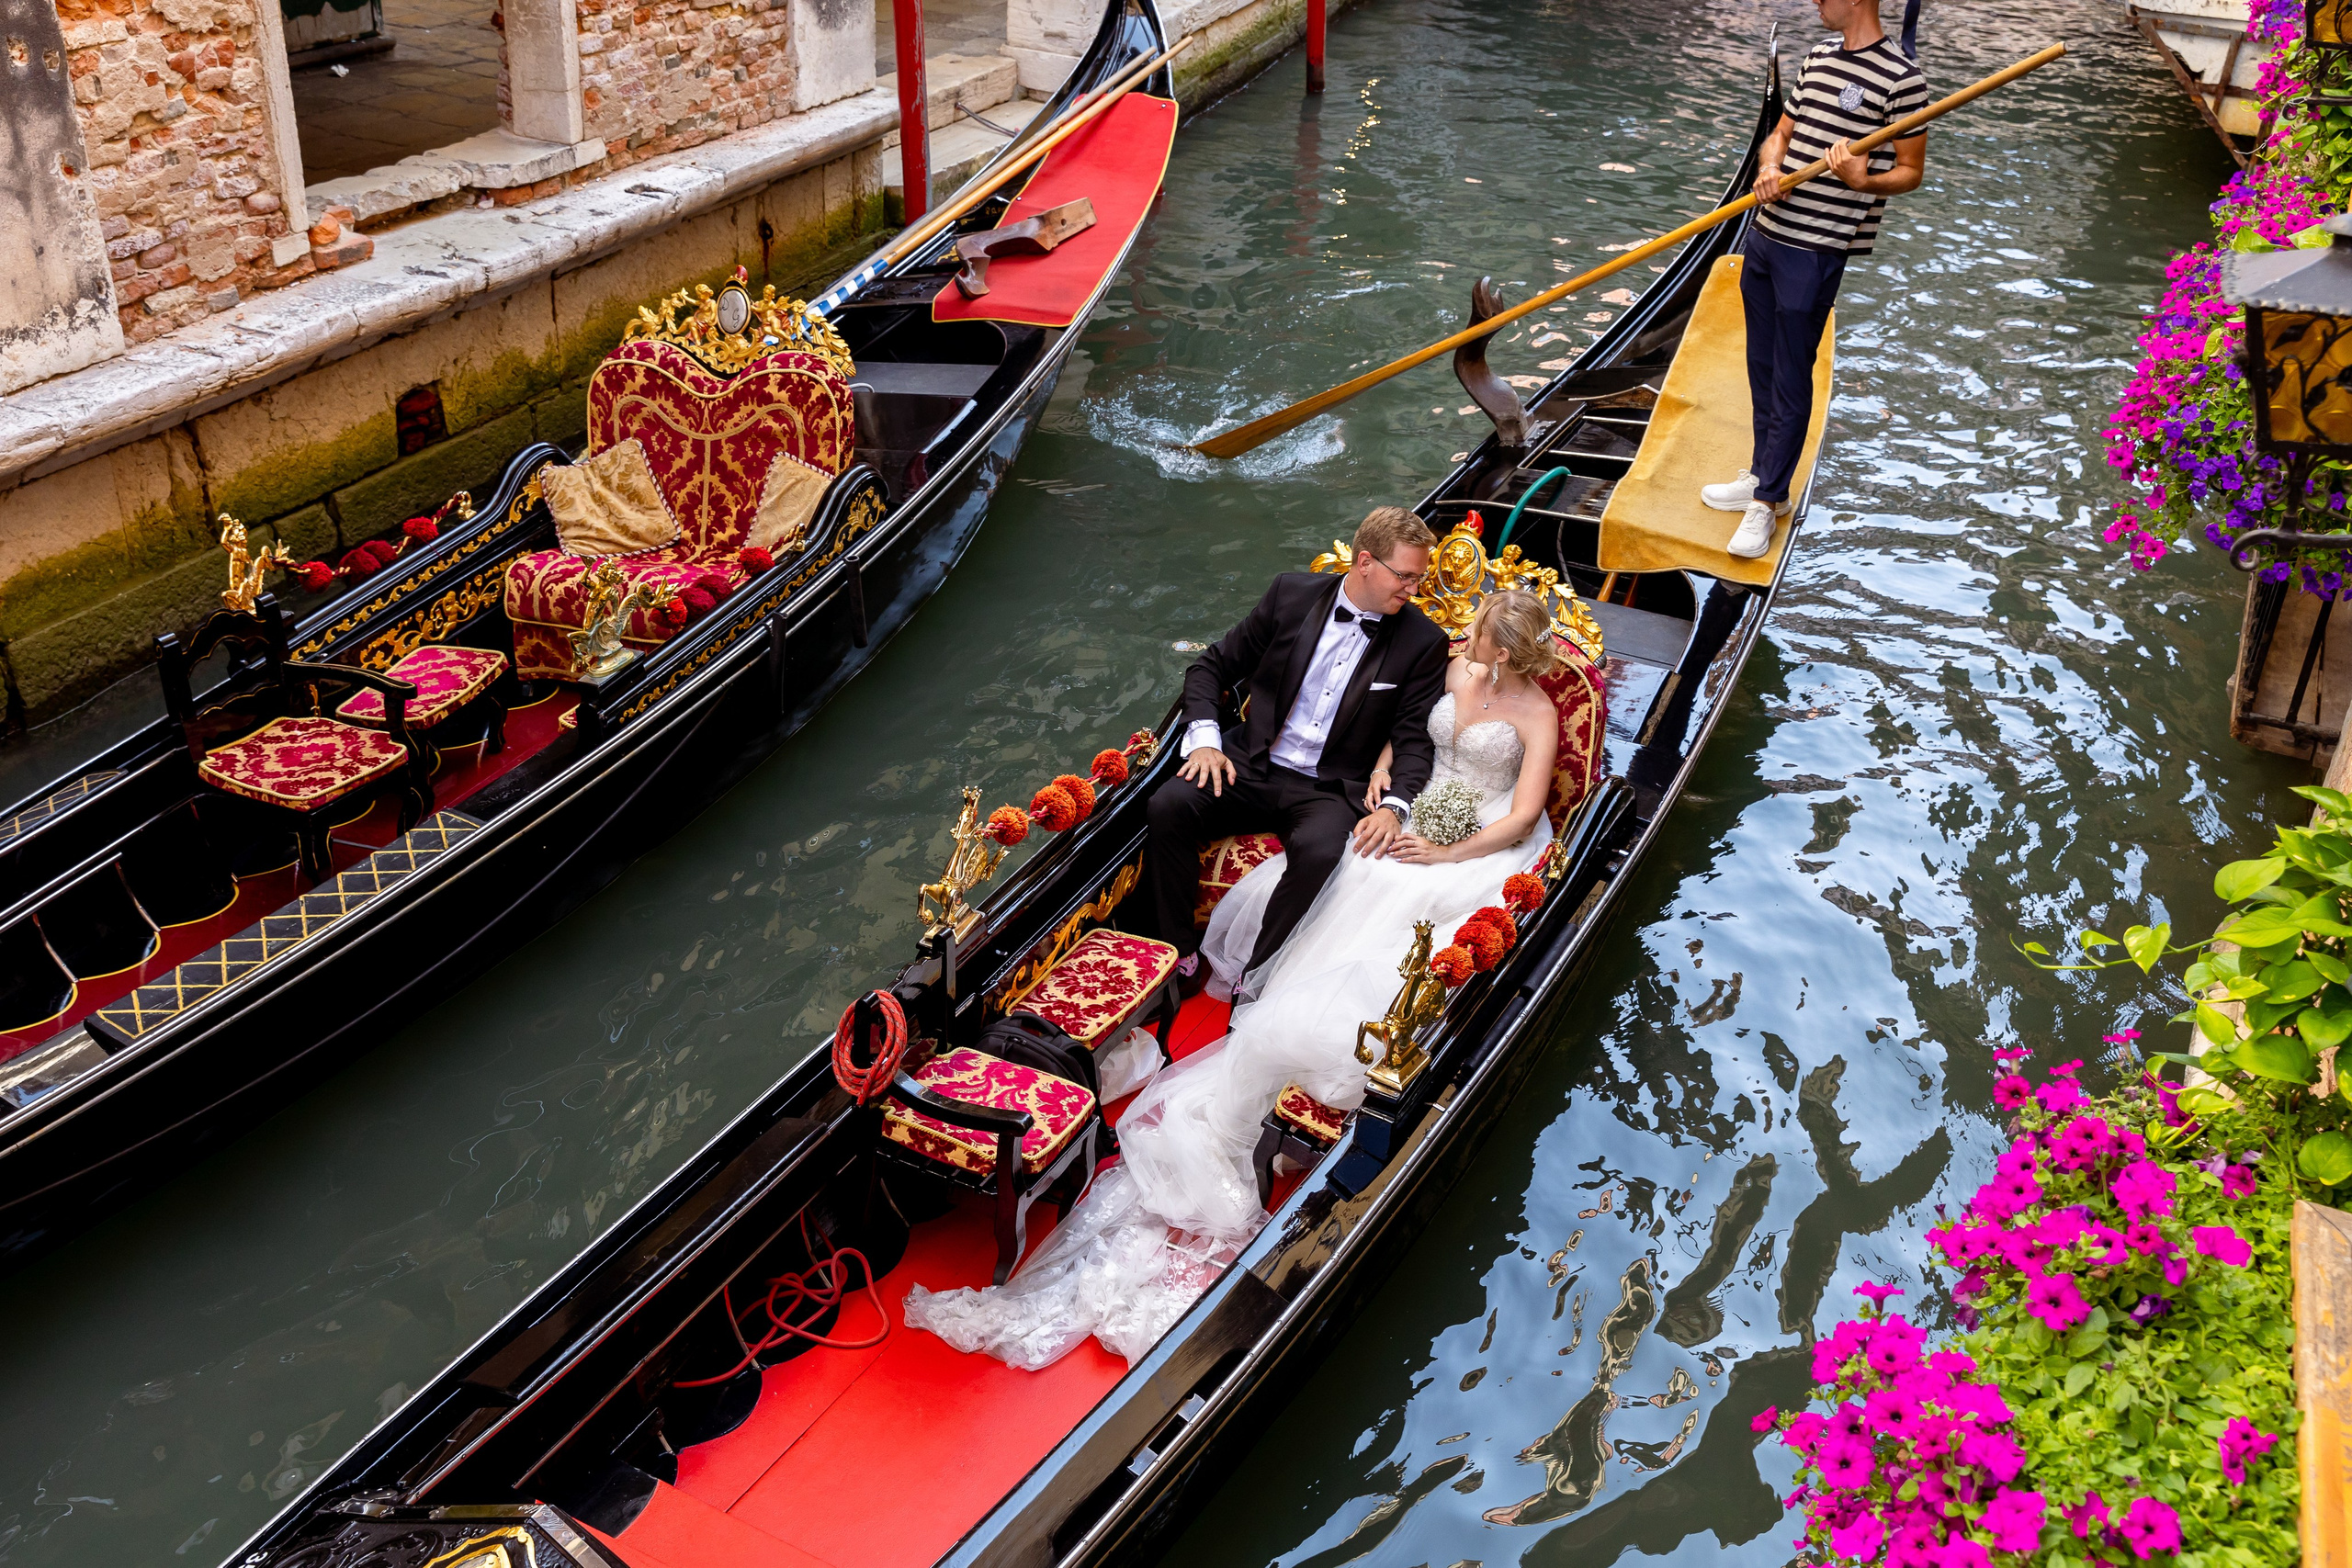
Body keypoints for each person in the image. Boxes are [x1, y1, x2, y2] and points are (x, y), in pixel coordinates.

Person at [903, 592, 1566, 1371]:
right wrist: (1394, 796)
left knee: (1390, 899)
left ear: (1509, 651)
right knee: (1340, 862)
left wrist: (1445, 853)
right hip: (1406, 814)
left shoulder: (1537, 711)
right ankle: (1200, 960)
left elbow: (1522, 817)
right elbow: (1403, 740)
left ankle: (1356, 1043)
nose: (1466, 634)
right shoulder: (1448, 663)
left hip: (1476, 852)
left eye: (1481, 631)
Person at [1141, 506, 1450, 1001]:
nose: (1414, 589)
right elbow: (1211, 667)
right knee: (1168, 804)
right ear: (1365, 561)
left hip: (1330, 787)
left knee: (1322, 852)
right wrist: (1205, 740)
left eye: (1419, 577)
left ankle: (1256, 977)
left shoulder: (1423, 641)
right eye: (1406, 576)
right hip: (1249, 764)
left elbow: (1415, 739)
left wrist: (1396, 807)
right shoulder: (1290, 594)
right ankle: (1178, 954)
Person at [1703, 0, 1928, 559]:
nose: (1814, 3)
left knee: (1790, 373)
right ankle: (1761, 478)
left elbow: (1911, 172)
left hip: (1819, 246)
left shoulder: (1903, 79)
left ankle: (1768, 502)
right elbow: (1780, 132)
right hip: (1766, 232)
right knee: (1760, 361)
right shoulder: (1819, 55)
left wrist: (1862, 178)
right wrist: (1768, 167)